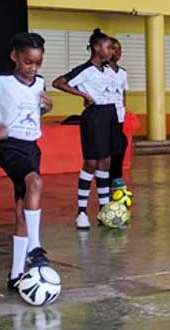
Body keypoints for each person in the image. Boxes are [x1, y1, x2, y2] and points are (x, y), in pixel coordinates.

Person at [0, 32, 54, 290]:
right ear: (14, 56)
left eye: (38, 62)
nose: (33, 68)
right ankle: (35, 247)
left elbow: (32, 111)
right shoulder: (1, 83)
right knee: (35, 182)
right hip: (8, 146)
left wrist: (46, 110)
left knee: (22, 211)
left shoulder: (40, 83)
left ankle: (15, 275)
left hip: (31, 148)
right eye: (28, 62)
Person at [52, 28, 117, 230]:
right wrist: (85, 96)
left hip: (109, 115)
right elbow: (58, 82)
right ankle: (81, 211)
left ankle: (104, 209)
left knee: (106, 160)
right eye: (108, 47)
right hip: (94, 116)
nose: (111, 51)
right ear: (97, 48)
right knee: (91, 161)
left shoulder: (108, 70)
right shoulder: (85, 69)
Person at [106, 37, 130, 194]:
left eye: (119, 48)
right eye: (114, 48)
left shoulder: (122, 73)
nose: (117, 52)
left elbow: (123, 93)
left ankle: (116, 176)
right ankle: (110, 178)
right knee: (111, 147)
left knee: (121, 143)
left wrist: (124, 107)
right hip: (106, 115)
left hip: (119, 115)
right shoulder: (102, 71)